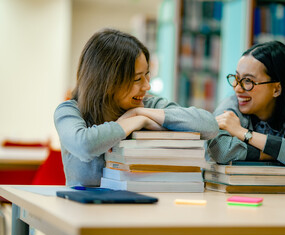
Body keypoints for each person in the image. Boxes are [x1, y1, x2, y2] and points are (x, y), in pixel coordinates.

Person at [54, 28, 218, 187]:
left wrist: (139, 113)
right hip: (84, 211)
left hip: (142, 207)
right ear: (108, 82)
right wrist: (127, 123)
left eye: (147, 75)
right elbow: (84, 145)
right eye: (137, 79)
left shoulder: (146, 106)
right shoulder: (69, 111)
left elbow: (209, 125)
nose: (147, 86)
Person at [207, 41, 285, 169]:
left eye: (248, 81)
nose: (237, 88)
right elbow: (221, 150)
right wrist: (281, 155)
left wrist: (243, 132)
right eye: (237, 78)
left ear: (276, 89)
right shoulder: (231, 107)